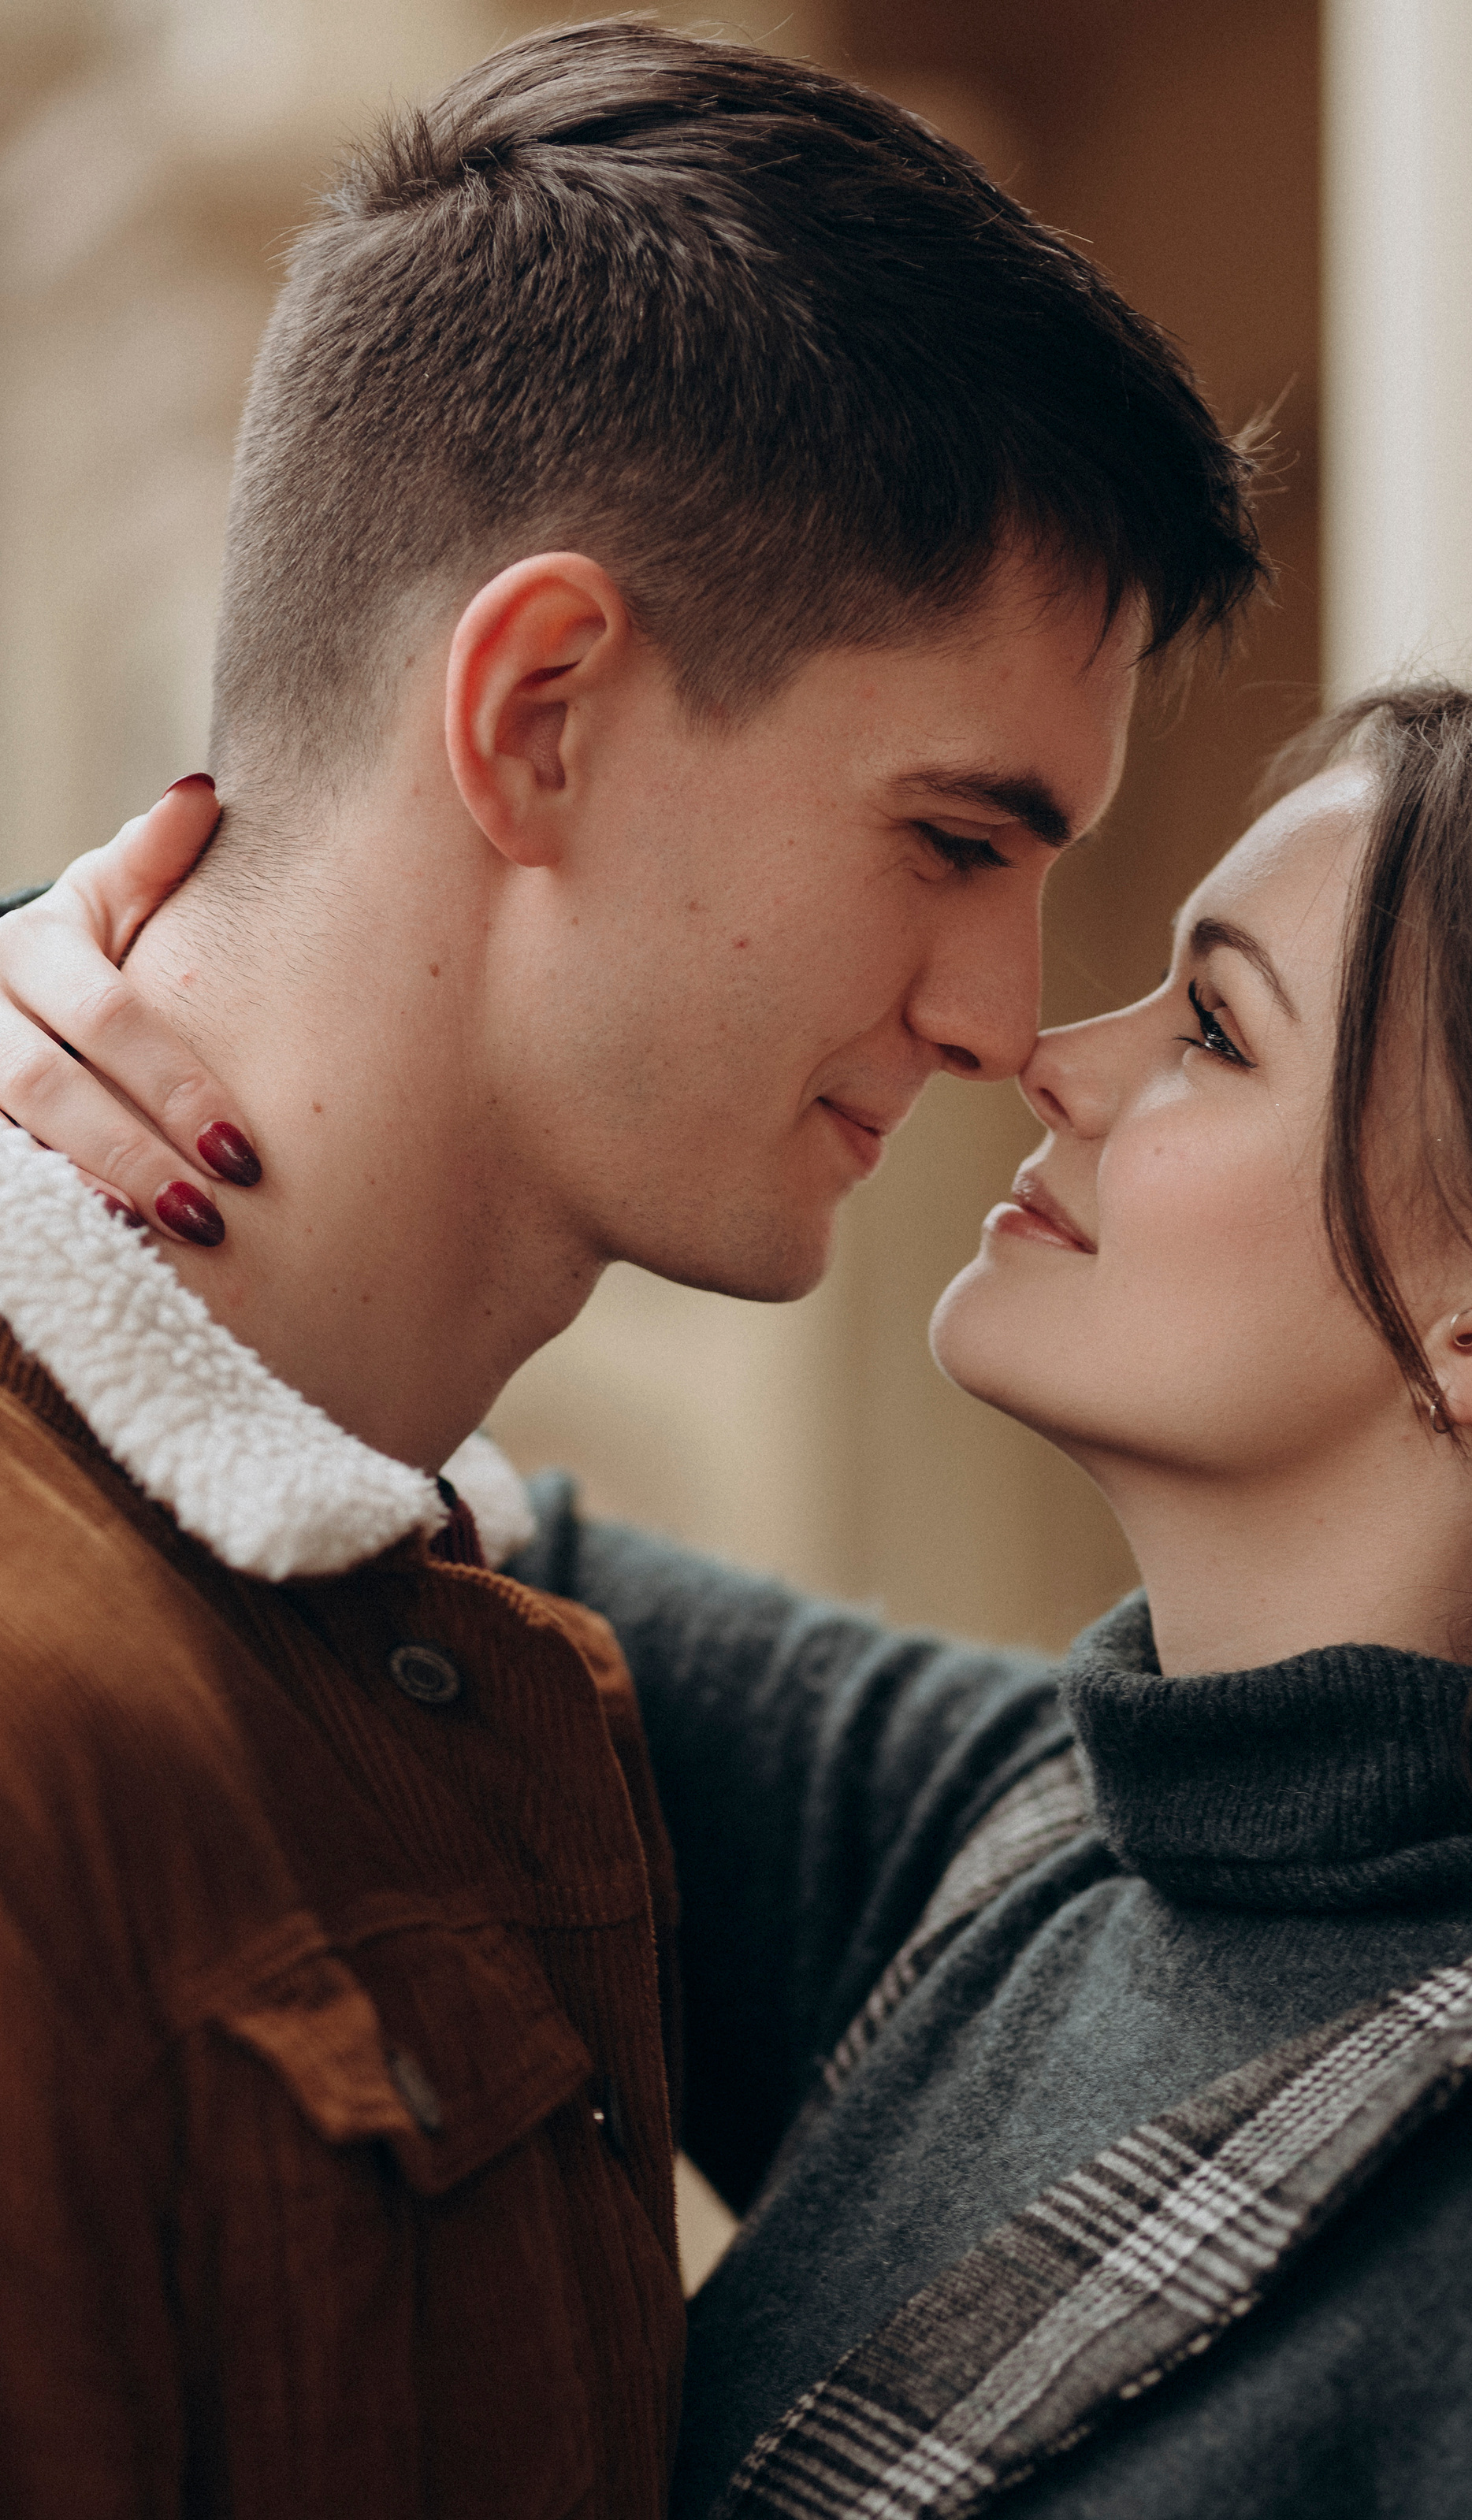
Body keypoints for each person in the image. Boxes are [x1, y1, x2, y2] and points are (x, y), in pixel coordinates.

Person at [19, 686, 1472, 2516]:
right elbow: (397, 1504)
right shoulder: (1057, 1831)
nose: (1050, 1055)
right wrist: (60, 1008)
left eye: (1216, 1028)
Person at [0, 17, 1261, 2515]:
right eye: (952, 838)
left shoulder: (493, 1652)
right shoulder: (44, 1720)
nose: (1006, 1022)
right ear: (543, 708)